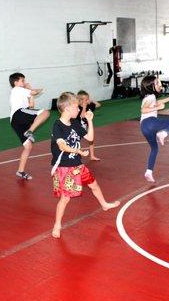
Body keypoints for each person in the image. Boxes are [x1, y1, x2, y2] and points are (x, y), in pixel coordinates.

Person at [50, 92, 120, 239]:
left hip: (77, 165)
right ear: (68, 108)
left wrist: (90, 121)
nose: (79, 109)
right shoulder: (58, 125)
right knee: (65, 198)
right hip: (65, 167)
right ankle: (57, 225)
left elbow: (90, 138)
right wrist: (78, 151)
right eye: (76, 107)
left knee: (94, 185)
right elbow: (62, 146)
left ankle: (104, 204)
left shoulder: (75, 122)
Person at [139, 75, 169, 183]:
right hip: (150, 122)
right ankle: (163, 133)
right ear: (151, 86)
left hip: (144, 127)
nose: (160, 84)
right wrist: (159, 108)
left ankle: (149, 171)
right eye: (157, 83)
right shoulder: (151, 97)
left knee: (154, 148)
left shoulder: (148, 97)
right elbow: (143, 110)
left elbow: (156, 103)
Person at [9, 72, 50, 180]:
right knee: (45, 112)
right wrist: (32, 89)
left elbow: (31, 105)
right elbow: (35, 92)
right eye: (22, 80)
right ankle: (30, 131)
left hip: (16, 121)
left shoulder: (21, 92)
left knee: (28, 146)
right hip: (18, 114)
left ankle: (20, 171)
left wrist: (30, 94)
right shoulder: (17, 89)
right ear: (16, 82)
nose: (24, 82)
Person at [77, 90, 101, 161]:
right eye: (86, 99)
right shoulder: (77, 108)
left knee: (91, 140)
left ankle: (92, 156)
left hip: (86, 127)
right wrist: (84, 106)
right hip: (77, 128)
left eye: (88, 99)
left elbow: (98, 105)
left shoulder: (89, 106)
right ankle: (77, 157)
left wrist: (92, 100)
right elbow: (82, 115)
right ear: (80, 100)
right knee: (77, 142)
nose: (87, 101)